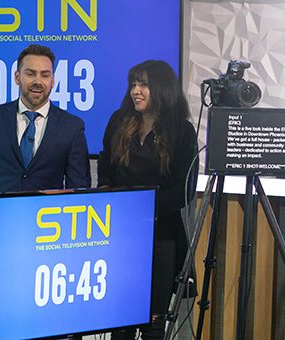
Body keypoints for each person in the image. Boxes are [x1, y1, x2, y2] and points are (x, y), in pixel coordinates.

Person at [97, 60, 198, 339]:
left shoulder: (182, 131)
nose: (135, 91)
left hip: (161, 236)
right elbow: (105, 164)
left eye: (143, 84)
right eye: (133, 84)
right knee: (122, 318)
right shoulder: (119, 121)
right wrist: (108, 194)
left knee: (154, 322)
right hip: (120, 232)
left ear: (162, 89)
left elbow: (184, 189)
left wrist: (145, 211)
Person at [0, 44, 91, 232]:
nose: (38, 81)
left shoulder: (72, 126)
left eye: (45, 75)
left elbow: (78, 189)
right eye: (30, 73)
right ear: (17, 77)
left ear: (53, 81)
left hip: (47, 231)